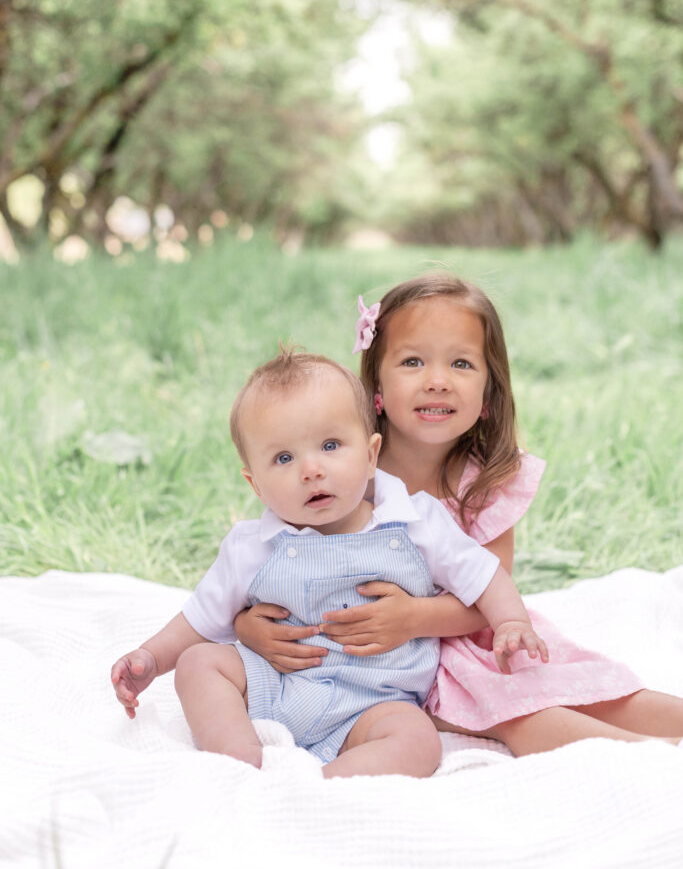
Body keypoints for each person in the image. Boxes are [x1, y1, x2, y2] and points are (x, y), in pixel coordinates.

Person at [235, 276, 683, 754]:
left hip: (476, 633)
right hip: (396, 664)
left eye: (462, 363)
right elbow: (266, 563)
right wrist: (247, 627)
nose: (437, 380)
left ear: (488, 392)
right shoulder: (340, 478)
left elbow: (491, 589)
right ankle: (652, 763)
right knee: (523, 715)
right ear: (376, 387)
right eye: (412, 361)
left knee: (597, 691)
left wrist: (413, 616)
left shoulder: (488, 482)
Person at [111, 349, 549, 779]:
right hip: (275, 685)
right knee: (198, 664)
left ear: (372, 453)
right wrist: (150, 657)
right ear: (255, 483)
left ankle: (323, 787)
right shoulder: (252, 546)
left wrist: (511, 621)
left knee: (417, 740)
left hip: (374, 703)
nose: (311, 470)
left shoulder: (413, 522)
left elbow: (484, 574)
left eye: (331, 445)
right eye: (284, 458)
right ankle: (238, 758)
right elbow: (199, 618)